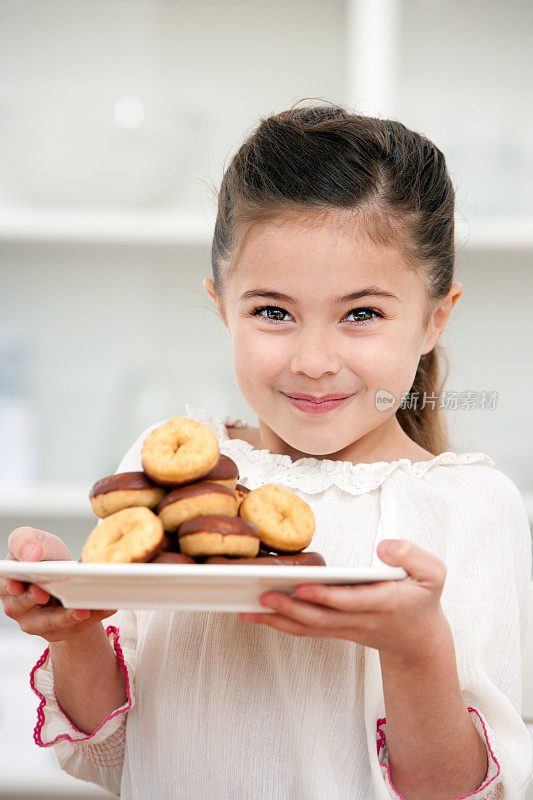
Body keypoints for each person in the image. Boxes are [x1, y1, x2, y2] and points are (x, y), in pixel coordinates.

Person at [1, 102, 531, 800]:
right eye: (272, 312)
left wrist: (414, 647)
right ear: (222, 305)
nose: (313, 360)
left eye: (361, 314)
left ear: (434, 318)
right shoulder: (173, 482)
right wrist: (72, 631)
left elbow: (461, 791)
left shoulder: (469, 509)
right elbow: (107, 747)